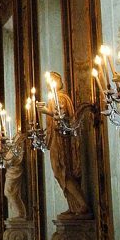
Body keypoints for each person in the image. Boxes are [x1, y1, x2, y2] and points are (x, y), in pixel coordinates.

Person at [44, 72, 91, 218]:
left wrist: (48, 112)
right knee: (58, 173)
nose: (51, 82)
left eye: (54, 80)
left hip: (62, 139)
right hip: (55, 139)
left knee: (63, 171)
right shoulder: (53, 98)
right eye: (50, 80)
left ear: (59, 81)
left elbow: (63, 118)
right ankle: (73, 206)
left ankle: (82, 204)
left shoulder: (61, 97)